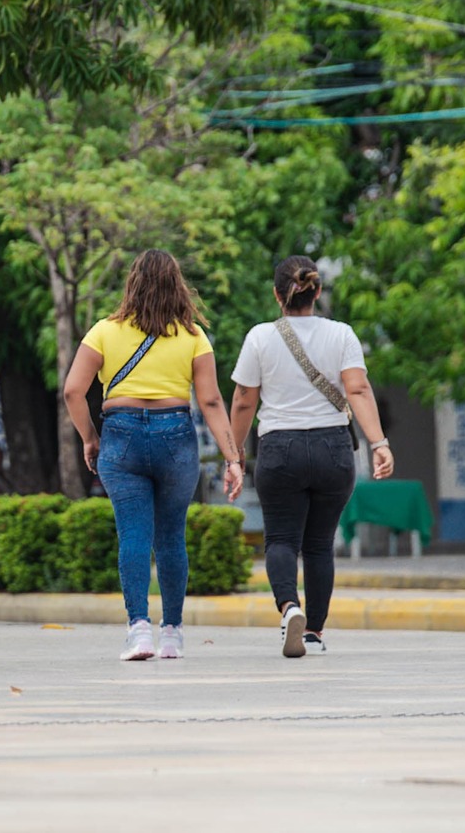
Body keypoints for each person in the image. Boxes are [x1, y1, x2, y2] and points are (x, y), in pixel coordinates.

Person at [64, 249, 244, 662]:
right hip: (175, 435)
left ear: (132, 284)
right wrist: (232, 458)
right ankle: (172, 634)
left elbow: (73, 390)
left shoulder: (103, 332)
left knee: (133, 535)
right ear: (178, 286)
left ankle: (139, 631)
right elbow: (211, 401)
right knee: (171, 537)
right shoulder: (194, 336)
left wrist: (90, 438)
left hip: (120, 435)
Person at [229, 255, 393, 659]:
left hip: (279, 449)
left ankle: (290, 607)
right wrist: (379, 443)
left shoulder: (260, 337)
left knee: (281, 539)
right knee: (319, 544)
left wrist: (234, 452)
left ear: (277, 295)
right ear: (316, 291)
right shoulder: (342, 334)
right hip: (332, 448)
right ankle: (315, 632)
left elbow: (244, 400)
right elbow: (358, 390)